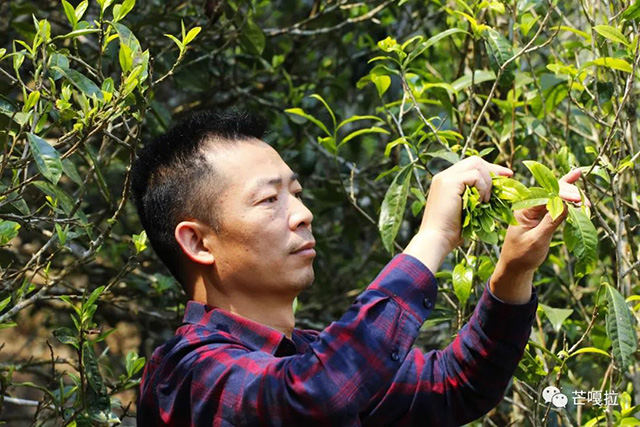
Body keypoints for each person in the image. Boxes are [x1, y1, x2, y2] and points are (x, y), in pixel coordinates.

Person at [131, 110, 589, 426]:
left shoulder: (306, 356)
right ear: (197, 241)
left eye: (297, 192)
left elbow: (455, 385)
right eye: (269, 200)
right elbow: (314, 396)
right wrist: (432, 239)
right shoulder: (185, 376)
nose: (302, 213)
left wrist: (512, 273)